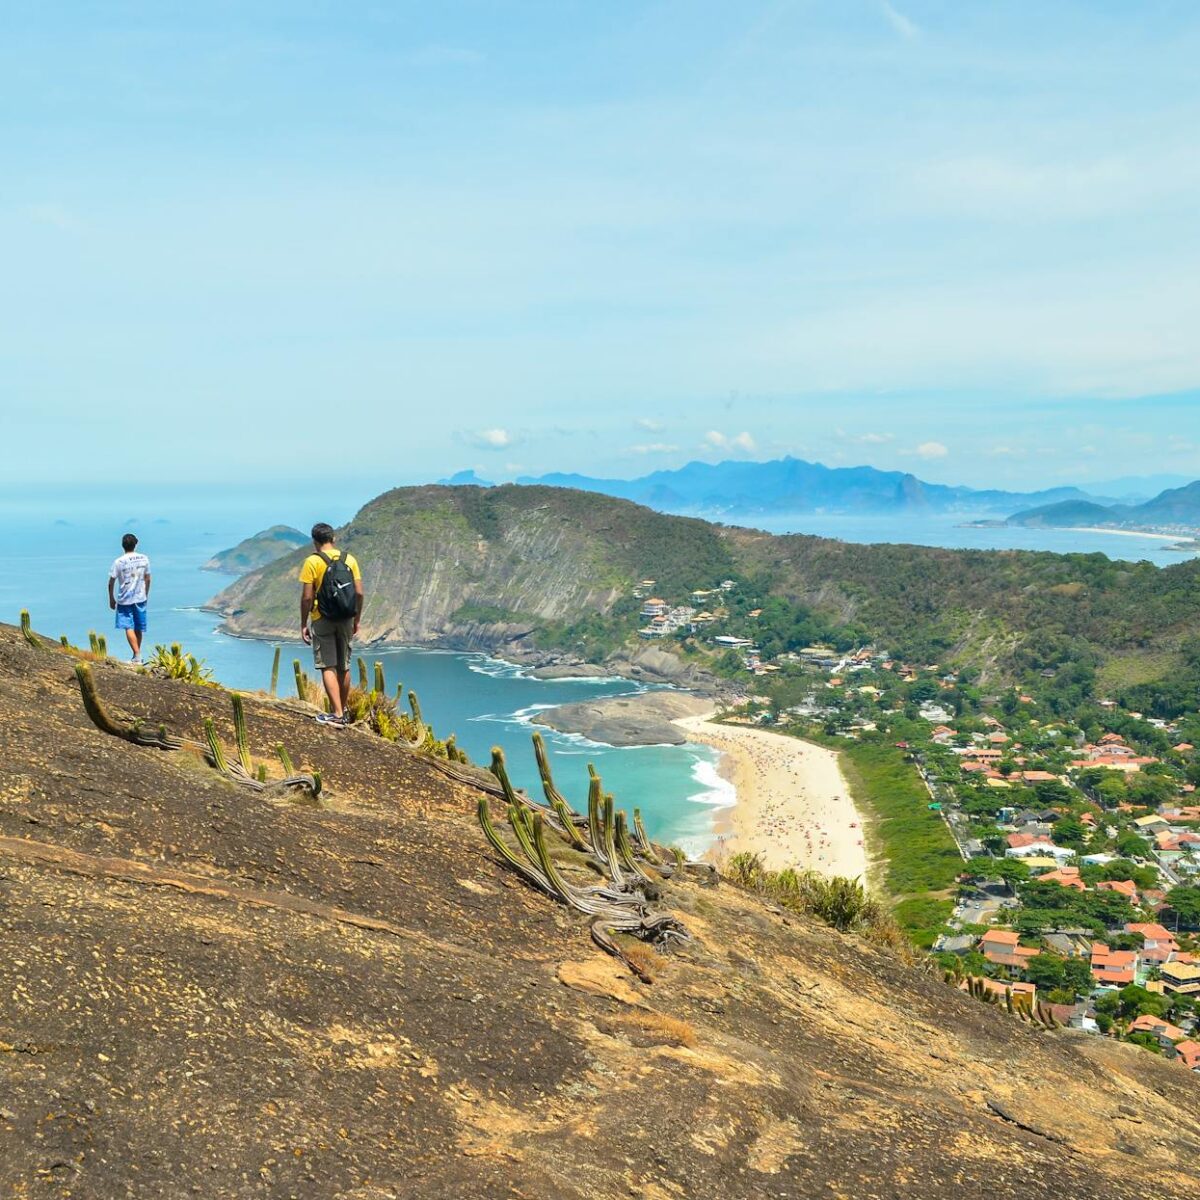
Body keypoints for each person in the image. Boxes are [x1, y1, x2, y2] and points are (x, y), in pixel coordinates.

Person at [299, 522, 363, 725]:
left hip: (322, 618)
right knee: (344, 666)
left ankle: (336, 715)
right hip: (346, 618)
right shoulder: (349, 559)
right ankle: (342, 712)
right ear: (333, 539)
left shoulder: (312, 561)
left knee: (328, 665)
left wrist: (303, 623)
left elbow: (307, 598)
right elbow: (359, 593)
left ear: (315, 541)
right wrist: (356, 619)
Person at [108, 533, 151, 664]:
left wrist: (111, 598)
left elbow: (111, 581)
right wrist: (146, 594)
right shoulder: (144, 558)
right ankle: (137, 655)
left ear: (123, 545)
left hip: (125, 599)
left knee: (128, 626)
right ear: (135, 544)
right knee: (138, 626)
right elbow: (148, 578)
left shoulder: (119, 561)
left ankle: (137, 655)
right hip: (140, 597)